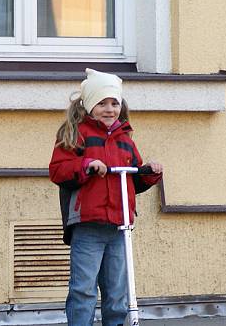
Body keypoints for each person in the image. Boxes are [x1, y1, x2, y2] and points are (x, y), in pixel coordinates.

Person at [48, 69, 163, 326]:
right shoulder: (77, 134)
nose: (109, 109)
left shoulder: (126, 140)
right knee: (83, 289)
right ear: (89, 106)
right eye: (102, 103)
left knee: (117, 294)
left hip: (119, 227)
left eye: (114, 102)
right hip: (88, 224)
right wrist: (87, 164)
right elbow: (58, 170)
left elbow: (132, 181)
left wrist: (150, 173)